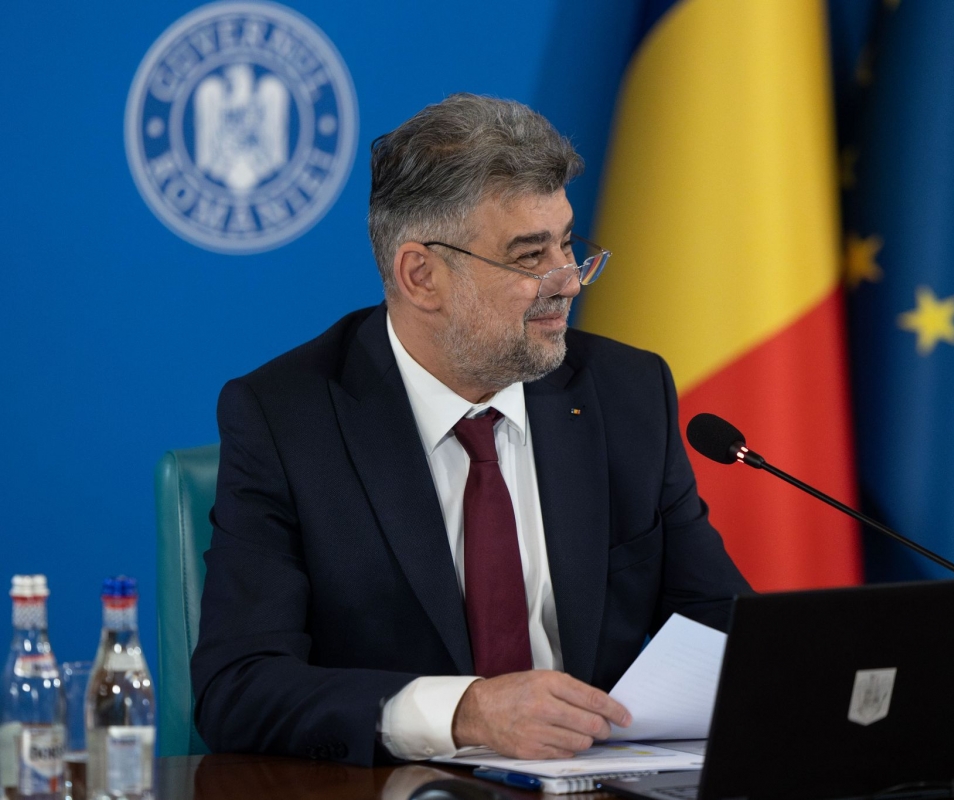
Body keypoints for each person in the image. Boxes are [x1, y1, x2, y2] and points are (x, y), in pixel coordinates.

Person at [191, 93, 750, 767]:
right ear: (421, 275)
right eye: (530, 256)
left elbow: (725, 631)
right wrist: (463, 712)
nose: (568, 281)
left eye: (567, 244)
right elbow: (238, 688)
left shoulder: (626, 394)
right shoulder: (287, 419)